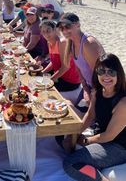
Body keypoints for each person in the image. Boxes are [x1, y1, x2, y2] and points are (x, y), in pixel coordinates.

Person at [63, 53, 126, 181]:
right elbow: (90, 115)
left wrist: (86, 141)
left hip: (119, 147)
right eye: (101, 71)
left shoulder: (123, 102)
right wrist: (75, 133)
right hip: (101, 136)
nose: (106, 76)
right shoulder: (98, 92)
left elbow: (109, 135)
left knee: (70, 163)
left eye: (111, 71)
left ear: (118, 74)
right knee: (62, 137)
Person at [57, 12, 104, 108]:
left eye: (67, 26)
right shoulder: (71, 42)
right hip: (88, 86)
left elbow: (101, 74)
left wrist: (91, 94)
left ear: (78, 25)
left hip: (101, 89)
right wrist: (85, 88)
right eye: (61, 28)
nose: (64, 30)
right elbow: (78, 69)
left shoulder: (88, 44)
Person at [40, 20, 80, 97]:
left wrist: (50, 80)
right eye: (43, 32)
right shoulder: (49, 42)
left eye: (48, 30)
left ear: (55, 30)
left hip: (70, 81)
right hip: (61, 76)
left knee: (42, 91)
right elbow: (53, 61)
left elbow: (66, 67)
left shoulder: (62, 42)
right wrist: (42, 72)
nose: (46, 34)